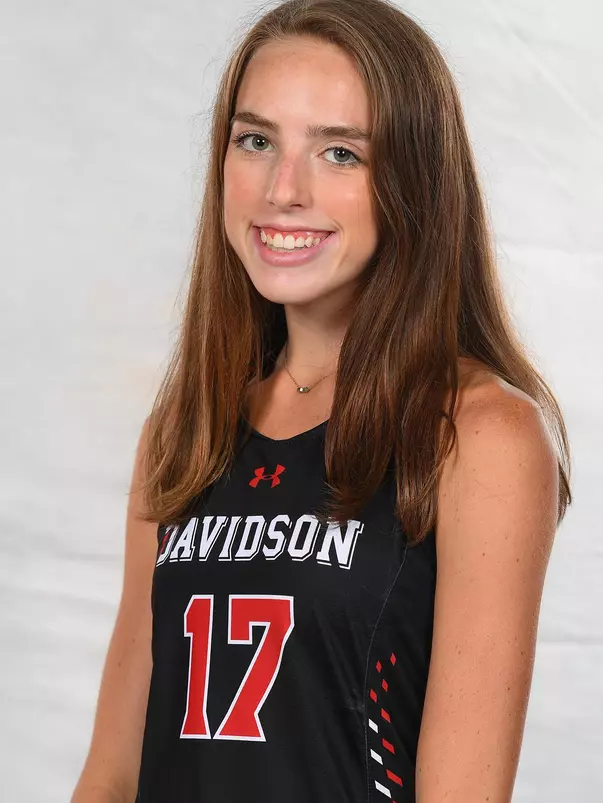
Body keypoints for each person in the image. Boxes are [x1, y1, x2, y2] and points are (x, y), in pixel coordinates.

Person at [71, 1, 572, 801]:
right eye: (256, 139)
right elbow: (112, 772)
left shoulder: (477, 433)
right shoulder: (186, 428)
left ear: (412, 180)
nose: (283, 189)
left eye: (339, 152)